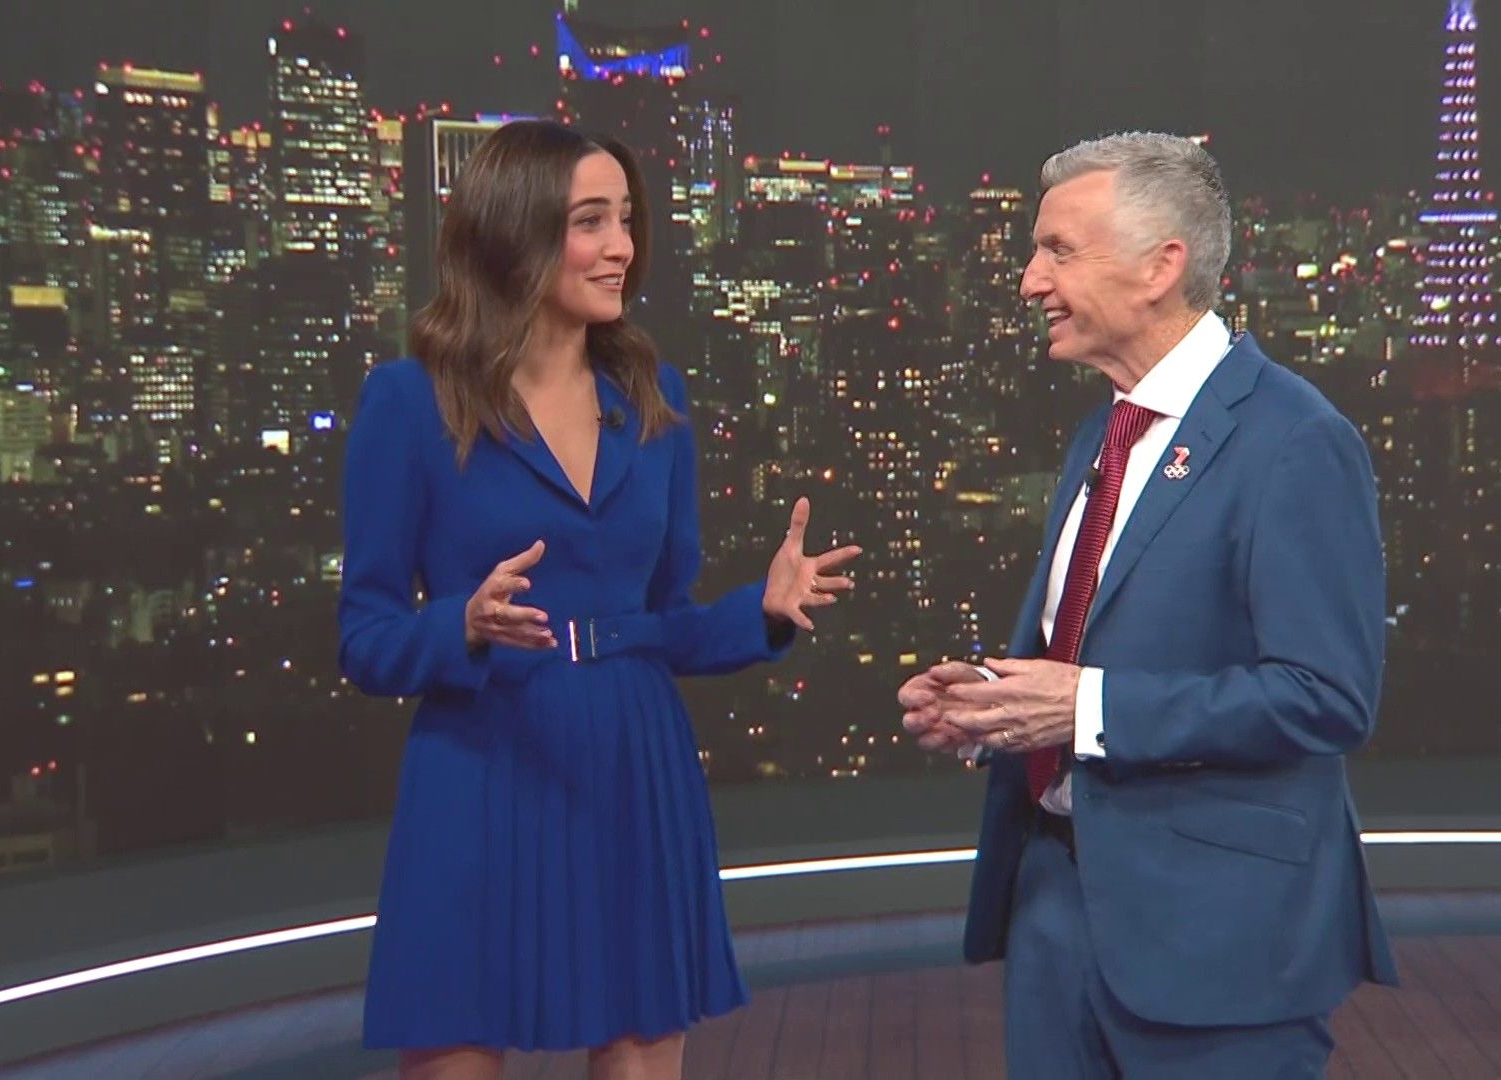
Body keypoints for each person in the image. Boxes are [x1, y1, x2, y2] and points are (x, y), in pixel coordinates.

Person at [337, 120, 860, 1080]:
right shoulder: (411, 402)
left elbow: (665, 623)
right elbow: (365, 636)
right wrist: (461, 626)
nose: (622, 246)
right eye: (591, 221)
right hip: (482, 762)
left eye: (625, 219)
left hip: (633, 762)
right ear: (516, 233)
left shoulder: (654, 398)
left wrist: (760, 610)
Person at [899, 132, 1398, 1078]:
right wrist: (993, 704)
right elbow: (1096, 645)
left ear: (1161, 266)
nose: (1029, 282)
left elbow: (1326, 697)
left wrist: (1082, 708)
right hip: (1056, 905)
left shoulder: (1295, 440)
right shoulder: (1104, 430)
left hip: (1219, 934)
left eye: (1057, 251)